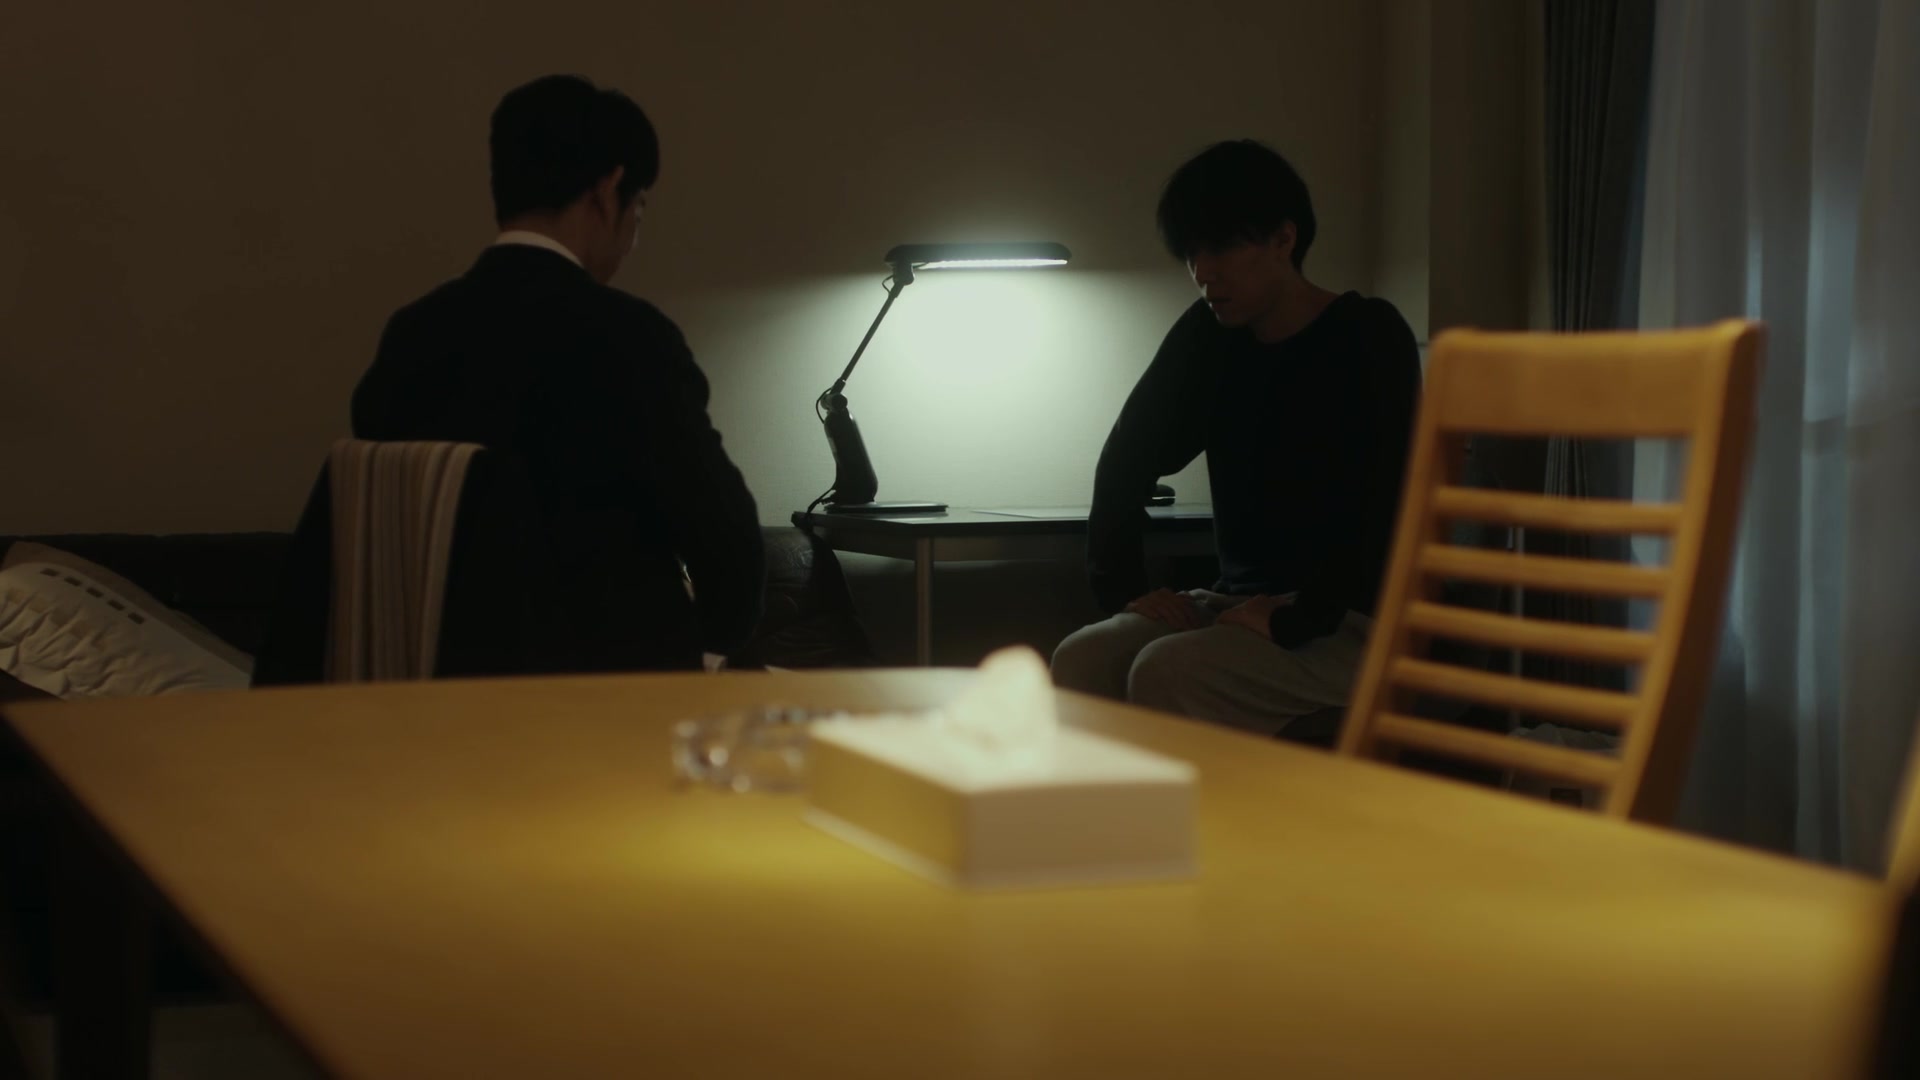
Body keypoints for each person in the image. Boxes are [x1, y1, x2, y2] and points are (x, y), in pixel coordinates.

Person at [343, 74, 763, 673]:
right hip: (605, 697)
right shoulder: (630, 339)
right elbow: (729, 554)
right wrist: (708, 641)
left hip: (436, 696)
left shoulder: (411, 337)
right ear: (609, 191)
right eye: (639, 209)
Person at [1051, 140, 1420, 736]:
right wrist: (1127, 589)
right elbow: (1127, 455)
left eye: (1221, 248)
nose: (1203, 272)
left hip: (1353, 618)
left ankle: (1206, 802)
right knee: (1082, 659)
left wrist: (1298, 617)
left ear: (1283, 239)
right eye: (1191, 253)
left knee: (1169, 671)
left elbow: (1387, 506)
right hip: (1237, 603)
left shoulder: (1368, 335)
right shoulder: (1210, 337)